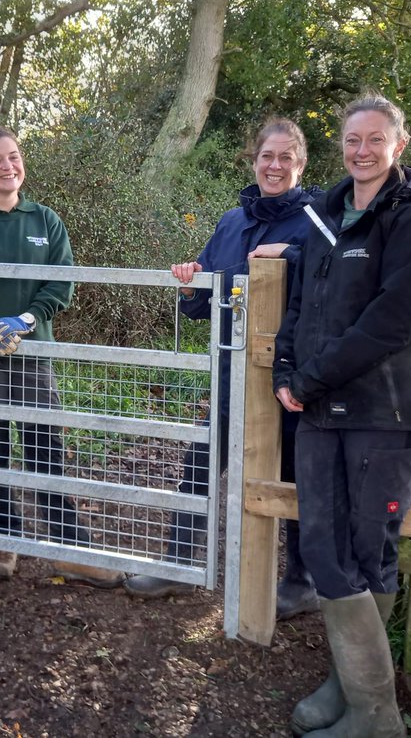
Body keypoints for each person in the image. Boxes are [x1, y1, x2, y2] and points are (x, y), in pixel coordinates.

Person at [273, 92, 411, 738]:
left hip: (385, 413)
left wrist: (312, 379)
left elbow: (389, 325)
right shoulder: (323, 216)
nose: (362, 151)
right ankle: (350, 686)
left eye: (376, 140)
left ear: (398, 146)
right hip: (321, 411)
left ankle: (376, 714)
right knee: (322, 546)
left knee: (368, 552)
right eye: (353, 140)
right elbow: (299, 307)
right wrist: (284, 371)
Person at [124, 117, 321, 619]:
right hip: (235, 374)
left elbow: (339, 271)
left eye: (285, 158)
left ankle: (301, 582)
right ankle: (177, 566)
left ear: (300, 164)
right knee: (200, 464)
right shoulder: (232, 222)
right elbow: (203, 301)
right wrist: (190, 282)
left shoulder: (319, 219)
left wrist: (292, 254)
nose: (274, 166)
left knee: (295, 479)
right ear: (253, 161)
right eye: (266, 157)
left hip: (295, 376)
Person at [0, 126, 123, 589]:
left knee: (45, 447)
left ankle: (69, 548)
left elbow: (61, 283)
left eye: (13, 157)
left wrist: (26, 320)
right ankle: (6, 537)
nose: (8, 166)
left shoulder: (45, 221)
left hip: (32, 351)